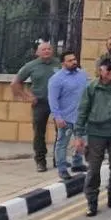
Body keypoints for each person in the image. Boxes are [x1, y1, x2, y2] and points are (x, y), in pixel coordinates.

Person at [75, 57, 111, 217]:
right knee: (94, 168)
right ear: (101, 71)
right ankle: (92, 202)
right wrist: (78, 135)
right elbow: (83, 111)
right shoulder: (92, 88)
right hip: (96, 132)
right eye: (109, 70)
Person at [11, 42, 61, 172]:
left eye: (49, 49)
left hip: (58, 103)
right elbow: (15, 83)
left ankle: (59, 159)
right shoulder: (31, 66)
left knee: (61, 131)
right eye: (43, 49)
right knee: (39, 132)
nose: (47, 51)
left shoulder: (59, 64)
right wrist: (27, 97)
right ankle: (40, 161)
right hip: (40, 103)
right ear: (37, 53)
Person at [47, 51, 89, 179]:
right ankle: (62, 168)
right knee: (62, 143)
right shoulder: (56, 79)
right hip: (65, 118)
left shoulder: (82, 75)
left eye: (74, 59)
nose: (74, 62)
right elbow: (52, 100)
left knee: (82, 141)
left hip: (81, 117)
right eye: (70, 60)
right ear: (63, 63)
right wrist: (57, 117)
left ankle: (77, 162)